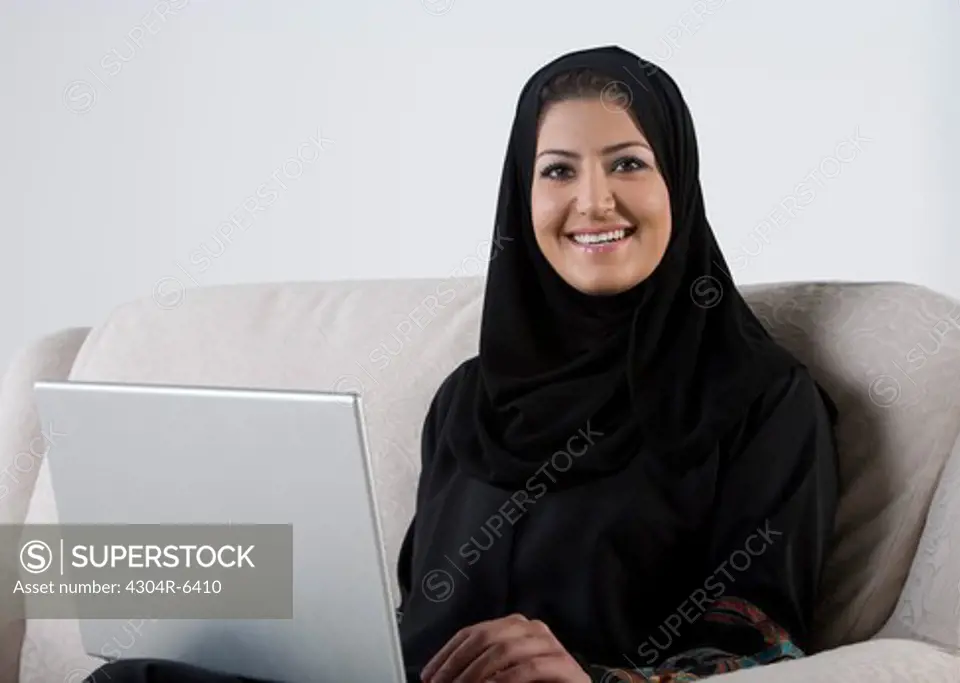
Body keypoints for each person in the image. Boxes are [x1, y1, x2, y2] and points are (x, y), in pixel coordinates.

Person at [88, 45, 839, 683]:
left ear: (678, 180)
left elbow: (768, 644)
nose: (594, 200)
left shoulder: (761, 399)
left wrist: (592, 676)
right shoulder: (470, 398)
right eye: (557, 171)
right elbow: (416, 619)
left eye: (628, 163)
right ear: (521, 195)